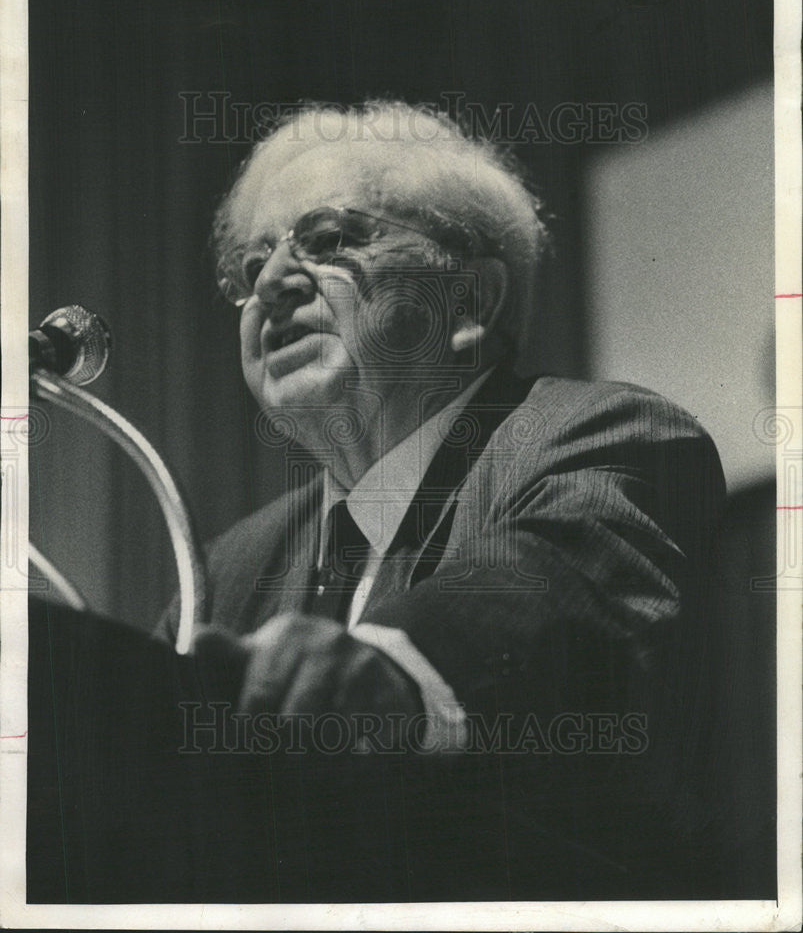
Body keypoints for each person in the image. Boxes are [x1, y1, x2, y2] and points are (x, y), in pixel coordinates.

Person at [158, 100, 727, 896]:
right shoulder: (220, 574)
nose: (273, 288)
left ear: (470, 303)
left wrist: (388, 671)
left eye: (327, 240)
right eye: (252, 269)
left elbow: (549, 579)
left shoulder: (610, 436)